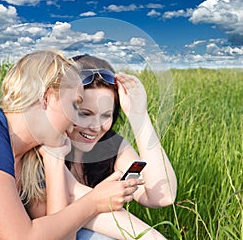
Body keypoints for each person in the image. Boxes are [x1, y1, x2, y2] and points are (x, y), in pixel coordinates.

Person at [0, 50, 144, 240]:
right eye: (75, 105)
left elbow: (62, 237)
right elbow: (20, 236)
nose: (76, 121)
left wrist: (55, 161)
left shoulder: (31, 154)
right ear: (46, 97)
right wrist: (93, 202)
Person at [20, 54, 177, 239]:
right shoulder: (45, 148)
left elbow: (163, 196)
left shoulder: (110, 146)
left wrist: (139, 116)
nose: (96, 127)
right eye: (85, 113)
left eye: (105, 115)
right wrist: (151, 236)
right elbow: (67, 208)